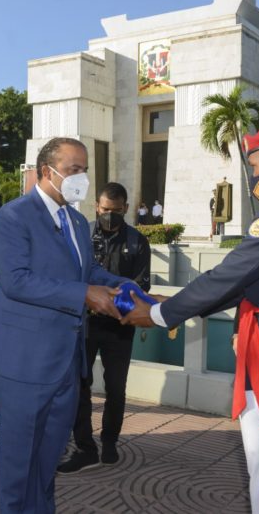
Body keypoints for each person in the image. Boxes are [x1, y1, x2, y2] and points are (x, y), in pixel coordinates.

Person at [121, 120, 259, 514]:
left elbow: (226, 276)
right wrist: (171, 307)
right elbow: (254, 284)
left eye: (257, 167)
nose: (256, 177)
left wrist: (158, 315)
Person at [0, 137, 128, 513]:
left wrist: (120, 285)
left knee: (46, 464)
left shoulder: (77, 220)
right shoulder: (13, 216)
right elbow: (16, 281)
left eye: (85, 169)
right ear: (48, 171)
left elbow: (87, 271)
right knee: (18, 466)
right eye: (74, 169)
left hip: (65, 363)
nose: (82, 177)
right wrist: (84, 294)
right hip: (21, 364)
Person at [57, 182, 151, 474]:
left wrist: (111, 305)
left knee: (116, 389)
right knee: (80, 386)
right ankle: (85, 447)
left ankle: (110, 441)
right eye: (105, 209)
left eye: (116, 210)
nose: (109, 215)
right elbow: (69, 274)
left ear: (125, 208)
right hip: (84, 324)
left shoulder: (137, 241)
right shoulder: (81, 235)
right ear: (96, 207)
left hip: (119, 327)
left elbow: (140, 287)